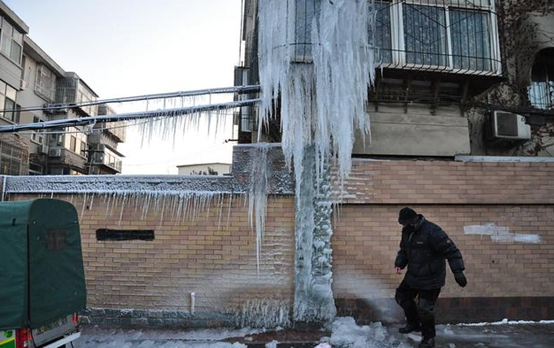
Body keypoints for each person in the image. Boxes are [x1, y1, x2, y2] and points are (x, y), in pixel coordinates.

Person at [394, 207, 467, 348]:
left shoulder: (433, 232)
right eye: (404, 224)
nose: (406, 226)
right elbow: (404, 250)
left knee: (425, 310)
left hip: (431, 278)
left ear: (415, 220)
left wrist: (458, 271)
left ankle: (429, 338)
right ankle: (413, 323)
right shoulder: (407, 232)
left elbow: (452, 251)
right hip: (413, 275)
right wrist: (400, 263)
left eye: (408, 223)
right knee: (401, 297)